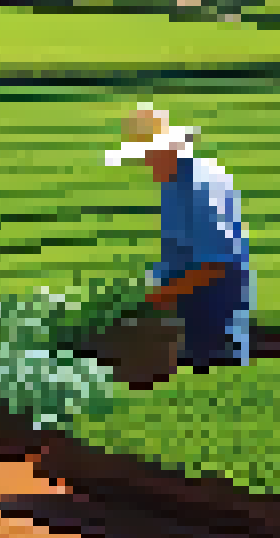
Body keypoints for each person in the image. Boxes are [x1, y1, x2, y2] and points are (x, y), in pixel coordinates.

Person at [104, 102, 253, 371]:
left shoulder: (199, 187)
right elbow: (179, 250)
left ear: (168, 149)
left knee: (213, 383)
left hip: (215, 311)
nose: (145, 162)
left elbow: (217, 263)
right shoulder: (172, 180)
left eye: (148, 155)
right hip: (191, 305)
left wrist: (159, 296)